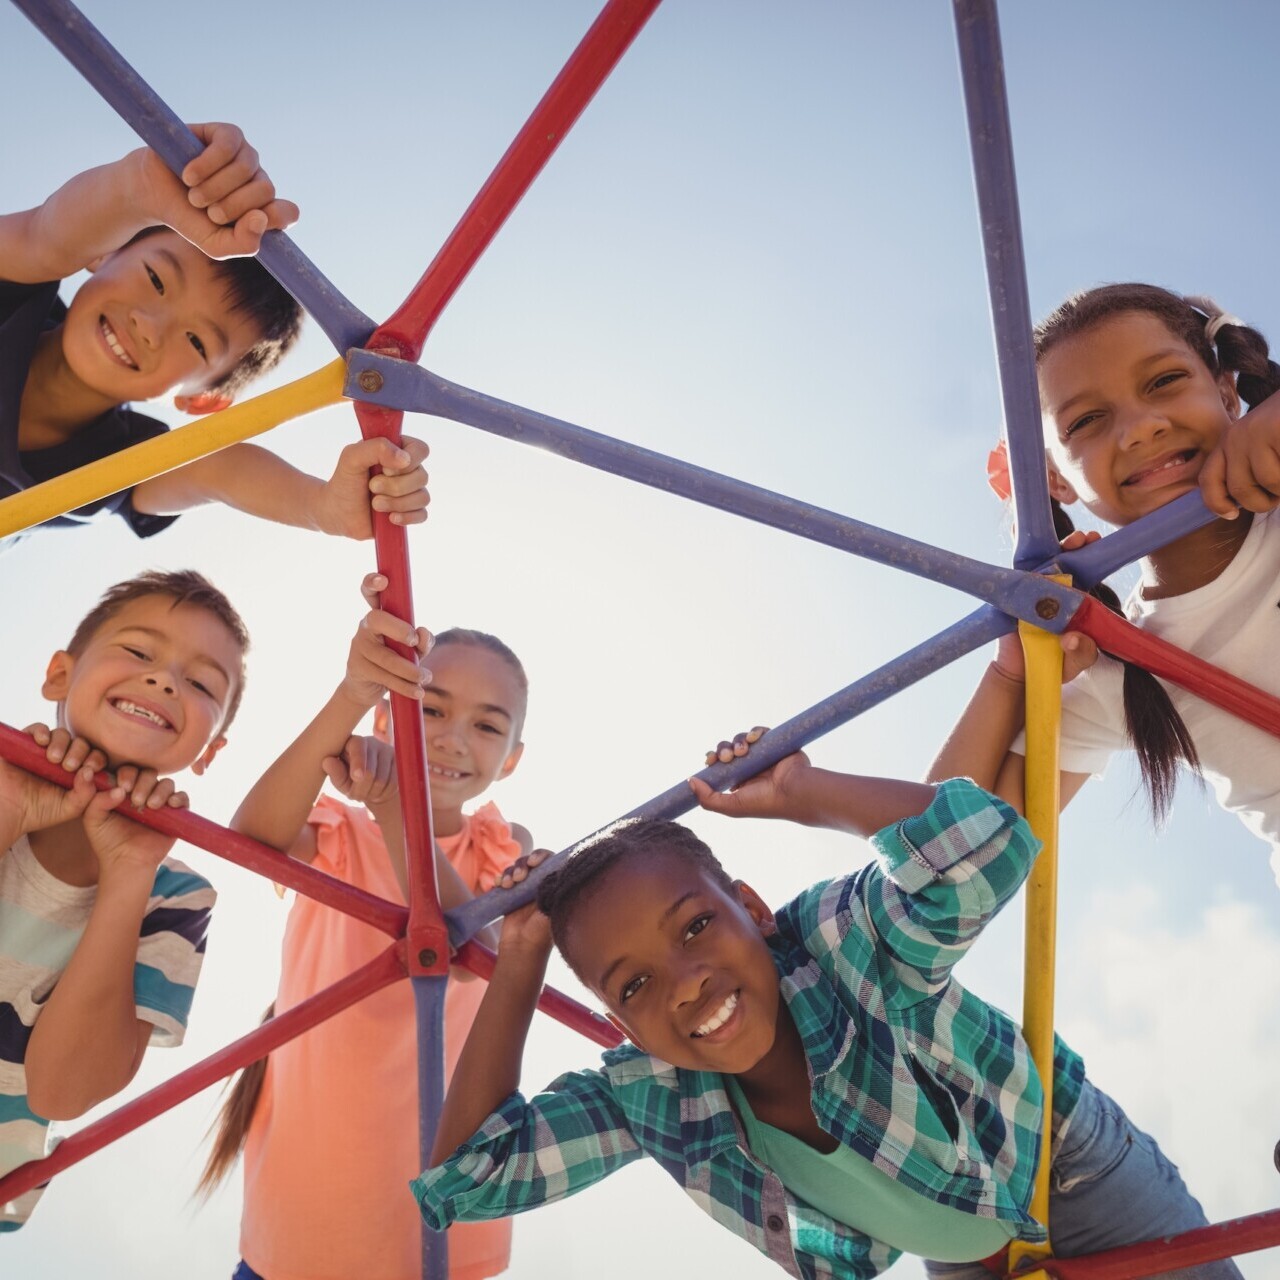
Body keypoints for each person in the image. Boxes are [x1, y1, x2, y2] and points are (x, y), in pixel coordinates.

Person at [412, 743, 1237, 1280]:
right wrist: (520, 961)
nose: (687, 983)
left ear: (752, 907)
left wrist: (802, 791)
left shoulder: (840, 946)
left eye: (697, 926)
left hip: (1073, 1175)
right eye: (632, 986)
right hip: (966, 1260)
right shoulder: (651, 1094)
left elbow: (987, 843)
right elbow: (467, 1181)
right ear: (619, 1023)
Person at [200, 574, 531, 1280]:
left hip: (440, 1233)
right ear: (387, 721)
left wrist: (394, 811)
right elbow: (250, 835)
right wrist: (353, 692)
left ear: (512, 760)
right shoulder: (342, 830)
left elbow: (479, 949)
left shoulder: (500, 847)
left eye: (486, 725)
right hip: (306, 1221)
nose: (451, 739)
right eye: (429, 709)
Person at [932, 283, 1280, 883]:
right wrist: (1010, 675)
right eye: (1088, 421)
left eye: (1165, 381)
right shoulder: (1111, 670)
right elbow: (946, 858)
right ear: (1055, 481)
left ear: (1227, 391)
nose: (1141, 428)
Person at [0, 123, 429, 551]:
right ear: (103, 250)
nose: (149, 325)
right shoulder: (17, 287)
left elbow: (220, 471)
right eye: (155, 278)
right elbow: (44, 238)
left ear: (203, 400)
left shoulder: (118, 460)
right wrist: (138, 187)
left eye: (197, 342)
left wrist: (321, 507)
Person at [0, 569, 249, 1229]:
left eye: (201, 685)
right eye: (139, 652)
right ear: (59, 675)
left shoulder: (175, 894)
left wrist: (129, 872)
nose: (166, 680)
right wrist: (9, 814)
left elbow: (63, 1090)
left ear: (210, 750)